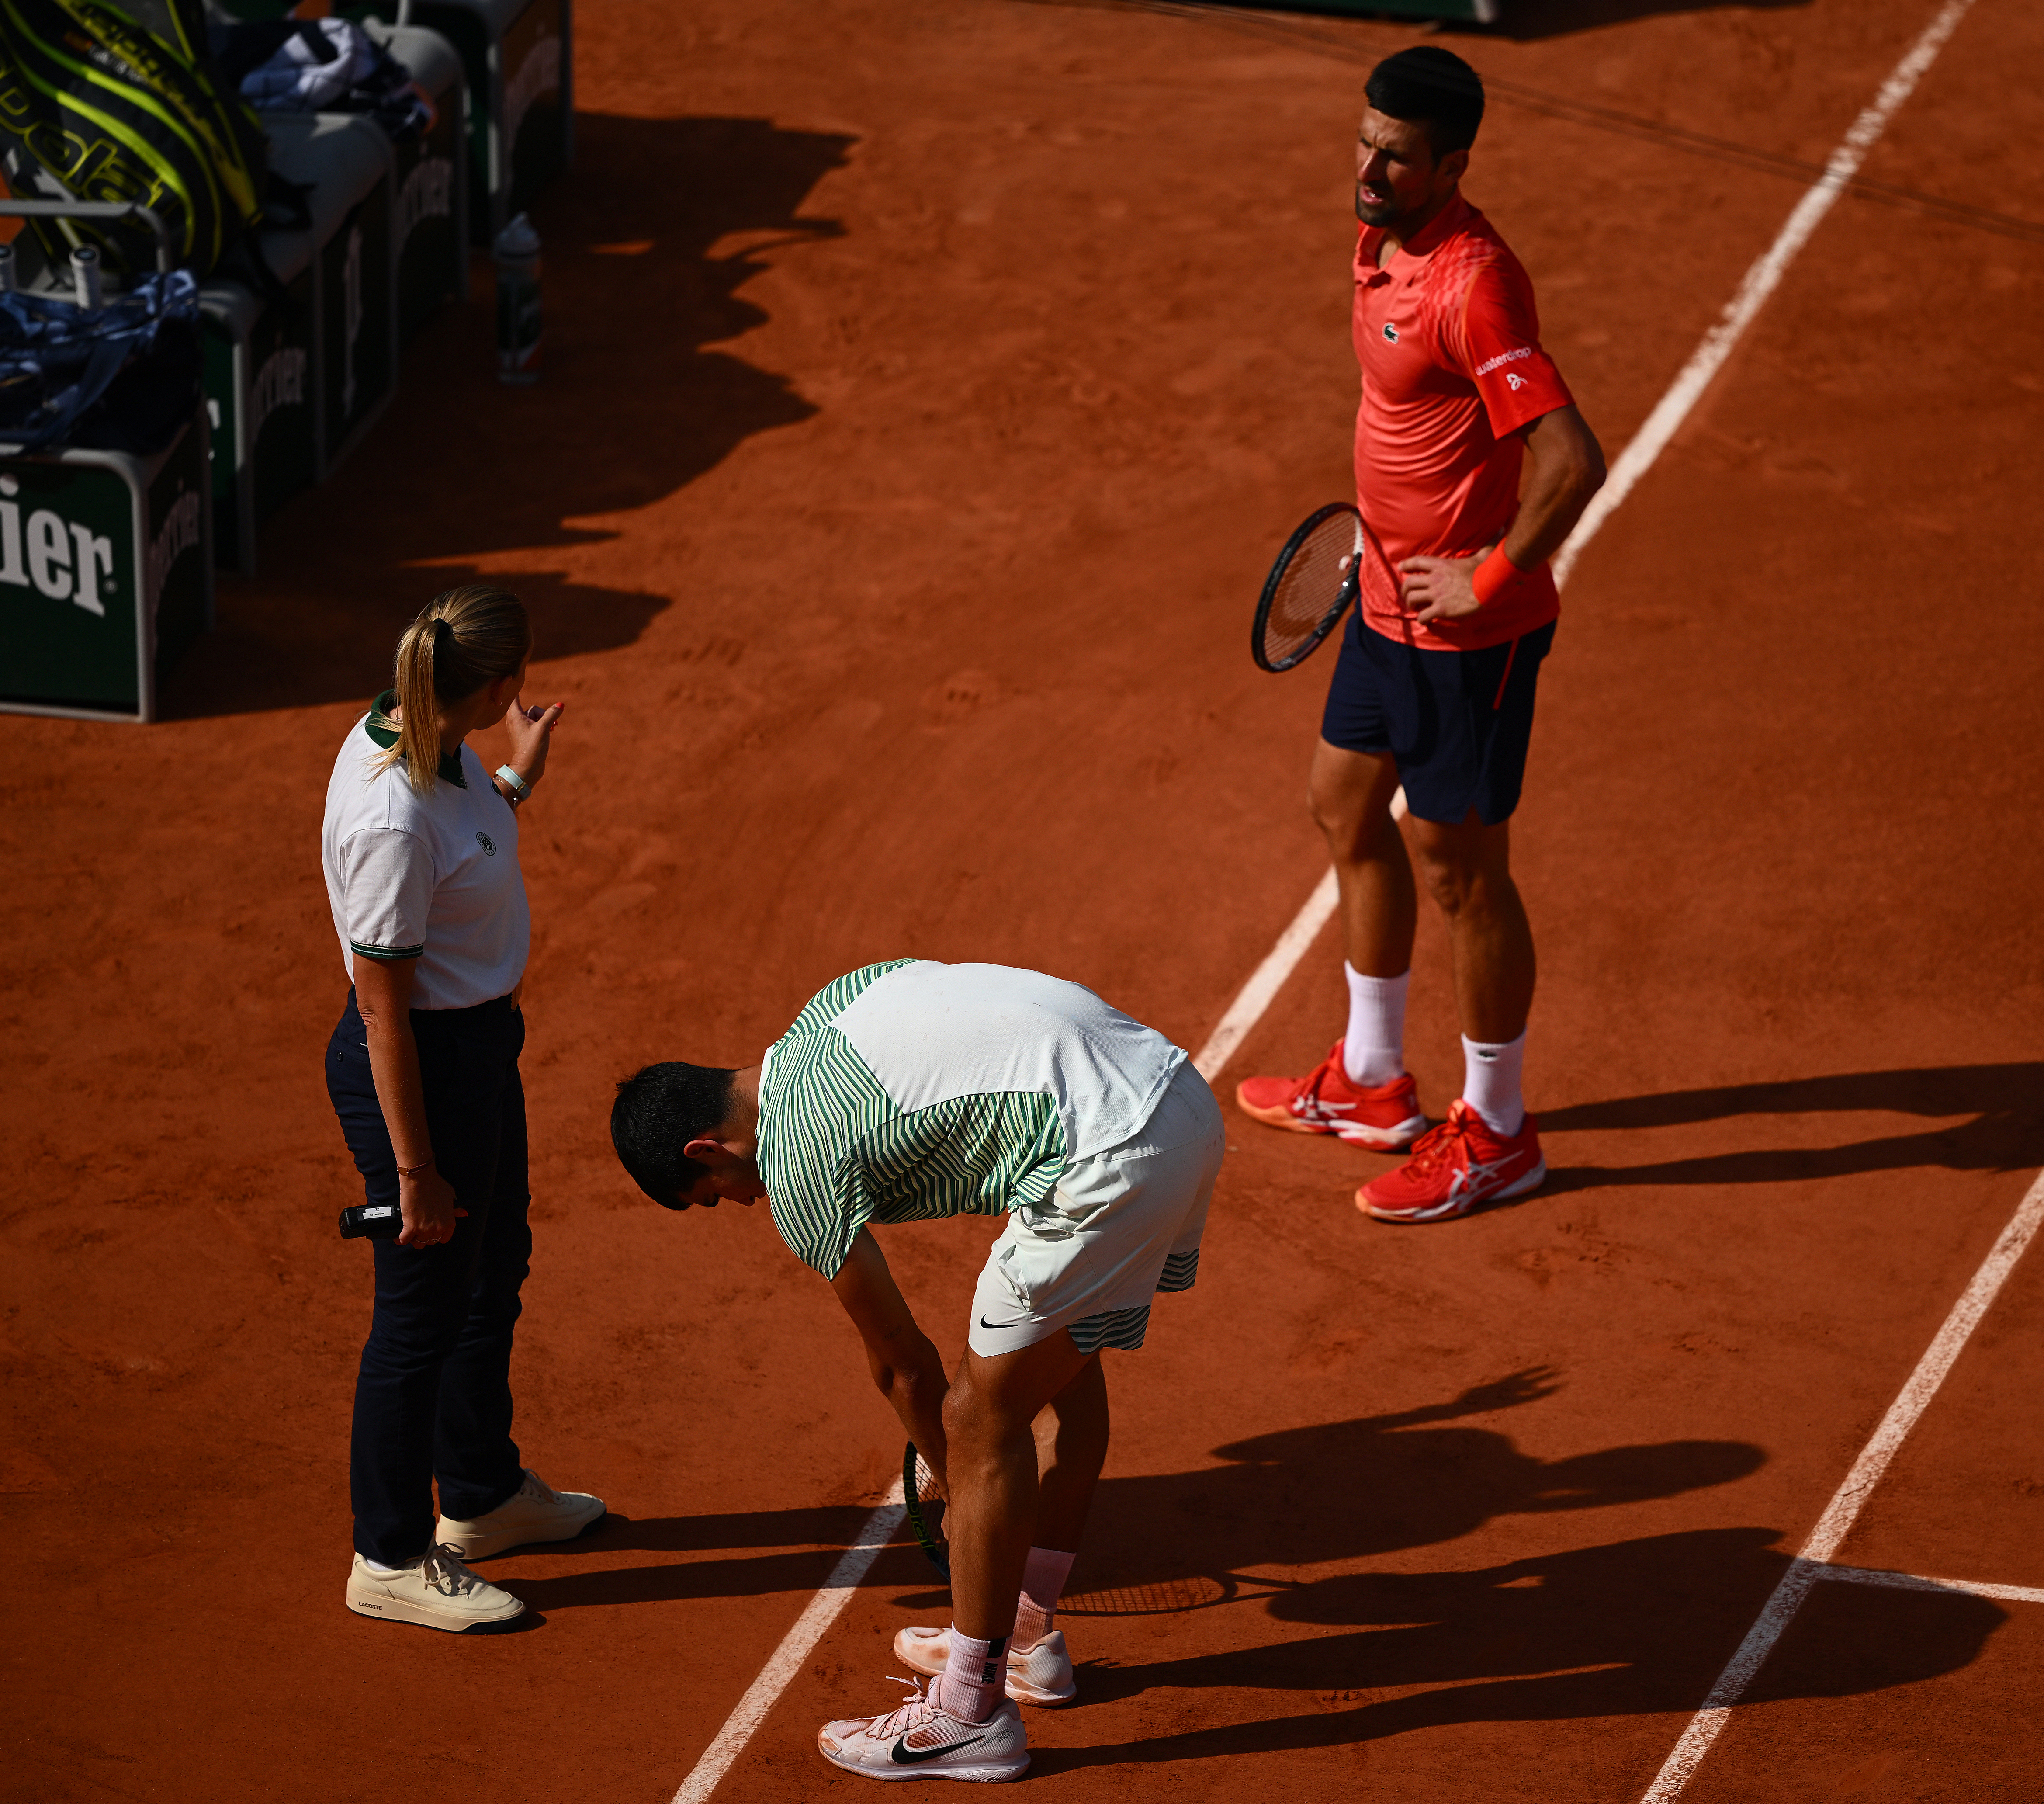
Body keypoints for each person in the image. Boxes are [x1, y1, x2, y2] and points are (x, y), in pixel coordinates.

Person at [610, 959, 1223, 1782]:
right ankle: (1029, 1637)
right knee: (1064, 1383)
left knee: (980, 1418)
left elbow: (903, 1368)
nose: (742, 1203)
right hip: (1179, 1097)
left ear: (707, 1148)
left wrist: (956, 1477)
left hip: (1109, 1157)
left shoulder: (794, 1164)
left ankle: (968, 1714)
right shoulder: (830, 1005)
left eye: (716, 1192)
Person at [1237, 47, 1606, 1224]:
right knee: (1343, 804)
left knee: (1462, 875)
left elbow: (1569, 459)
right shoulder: (1380, 240)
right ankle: (1369, 1080)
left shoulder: (1472, 281)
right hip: (1381, 603)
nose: (1369, 166)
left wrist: (1491, 571)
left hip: (1464, 640)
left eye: (1396, 154)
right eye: (1364, 140)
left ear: (1451, 163)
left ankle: (1497, 1133)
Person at [322, 585, 606, 1631]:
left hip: (477, 1051)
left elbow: (465, 842)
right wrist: (414, 1172)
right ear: (495, 685)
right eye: (517, 680)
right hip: (423, 1070)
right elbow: (382, 1014)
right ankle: (389, 1555)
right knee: (419, 1317)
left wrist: (516, 783)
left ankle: (479, 1497)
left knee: (492, 1272)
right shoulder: (389, 817)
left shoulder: (429, 741)